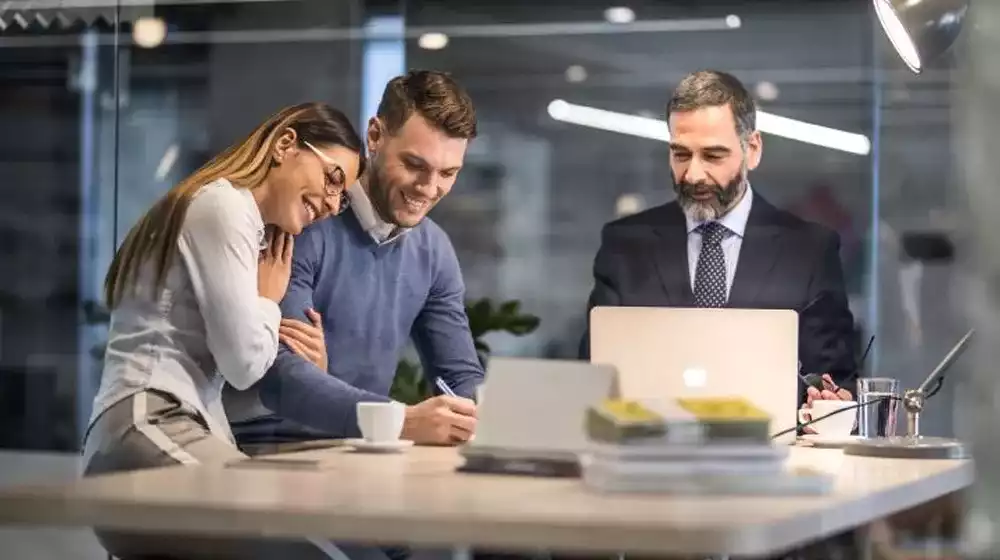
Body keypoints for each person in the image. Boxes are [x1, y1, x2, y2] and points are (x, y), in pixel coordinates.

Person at [83, 102, 365, 559]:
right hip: (145, 428)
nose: (334, 204)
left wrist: (305, 361)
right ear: (286, 145)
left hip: (163, 431)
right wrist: (268, 303)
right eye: (334, 178)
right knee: (302, 549)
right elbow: (241, 363)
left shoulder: (243, 224)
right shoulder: (223, 206)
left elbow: (228, 376)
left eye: (344, 196)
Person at [226, 70, 483, 448]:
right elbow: (282, 377)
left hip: (359, 448)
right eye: (414, 165)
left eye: (448, 173)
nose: (429, 189)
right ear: (375, 136)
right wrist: (402, 421)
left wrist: (481, 415)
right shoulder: (302, 221)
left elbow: (458, 376)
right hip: (266, 447)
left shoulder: (434, 249)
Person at [580, 69, 857, 411]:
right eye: (681, 154)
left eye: (712, 156)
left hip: (771, 455)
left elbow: (836, 382)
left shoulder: (810, 251)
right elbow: (591, 376)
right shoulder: (624, 245)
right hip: (648, 451)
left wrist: (829, 401)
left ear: (752, 149)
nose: (694, 174)